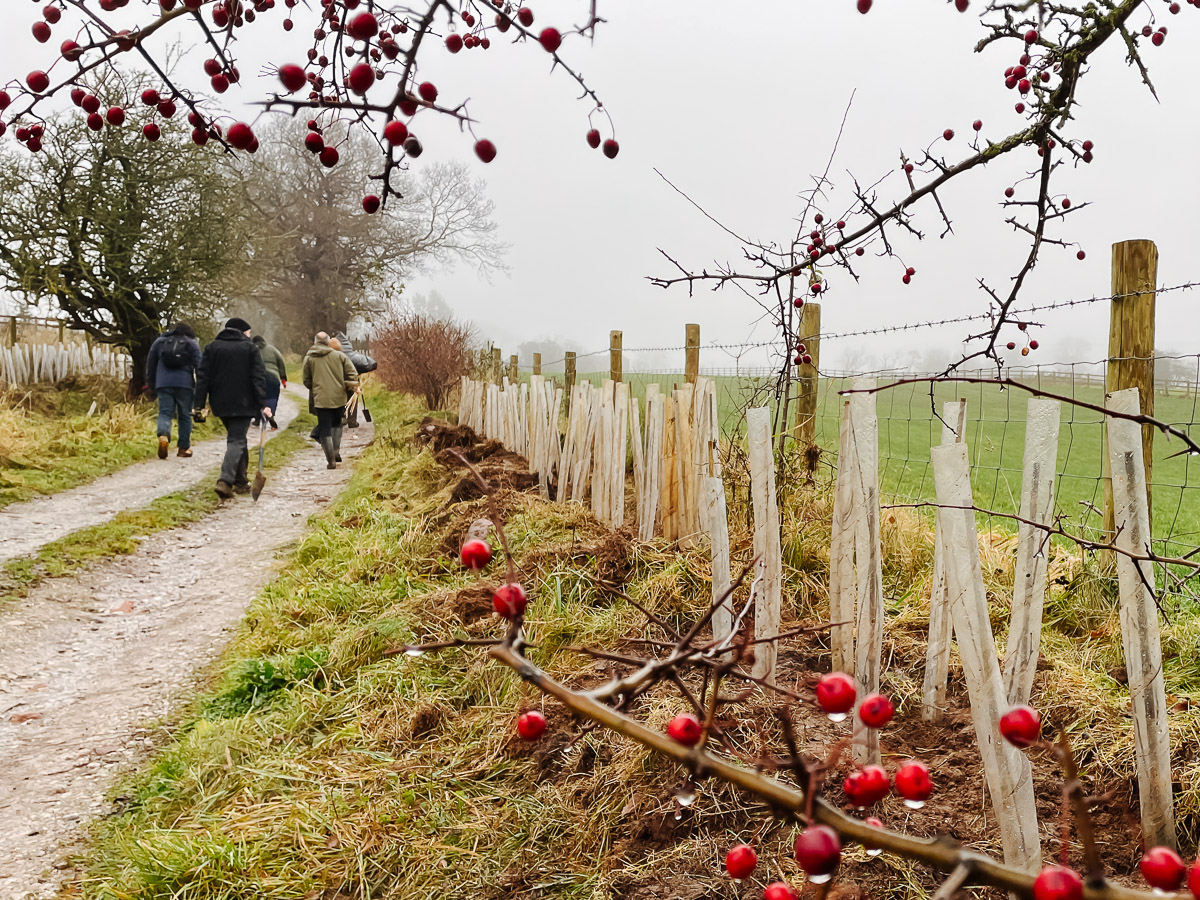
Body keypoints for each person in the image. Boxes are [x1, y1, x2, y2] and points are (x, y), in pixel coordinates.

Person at [194, 317, 272, 499]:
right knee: (236, 440)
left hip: (220, 403)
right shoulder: (250, 348)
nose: (250, 335)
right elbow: (258, 378)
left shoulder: (212, 348)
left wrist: (199, 404)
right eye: (249, 332)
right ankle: (225, 480)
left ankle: (241, 481)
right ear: (242, 332)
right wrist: (263, 403)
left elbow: (202, 378)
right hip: (244, 402)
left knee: (238, 438)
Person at [302, 331, 358, 469]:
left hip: (320, 398)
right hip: (339, 397)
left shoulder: (309, 358)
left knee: (325, 427)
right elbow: (353, 374)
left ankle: (330, 461)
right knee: (336, 424)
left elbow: (306, 380)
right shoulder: (340, 356)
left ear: (315, 342)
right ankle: (335, 451)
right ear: (328, 342)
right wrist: (347, 386)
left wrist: (315, 388)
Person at [145, 323, 201, 459]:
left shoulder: (159, 342)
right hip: (185, 384)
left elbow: (150, 363)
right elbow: (199, 365)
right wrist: (201, 387)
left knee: (165, 412)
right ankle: (183, 448)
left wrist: (150, 383)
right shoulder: (191, 343)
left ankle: (163, 436)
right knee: (185, 415)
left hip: (163, 383)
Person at [252, 334, 288, 429]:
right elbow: (281, 362)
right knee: (272, 396)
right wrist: (283, 377)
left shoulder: (252, 350)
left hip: (258, 376)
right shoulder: (272, 349)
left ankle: (257, 419)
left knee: (257, 397)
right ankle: (270, 413)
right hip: (273, 376)